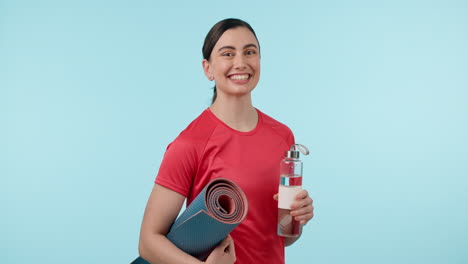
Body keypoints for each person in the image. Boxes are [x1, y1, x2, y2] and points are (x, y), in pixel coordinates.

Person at [138, 18, 314, 264]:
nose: (240, 63)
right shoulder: (190, 144)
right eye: (227, 54)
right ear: (207, 68)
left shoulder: (282, 136)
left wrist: (296, 218)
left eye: (250, 52)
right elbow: (148, 242)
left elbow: (280, 237)